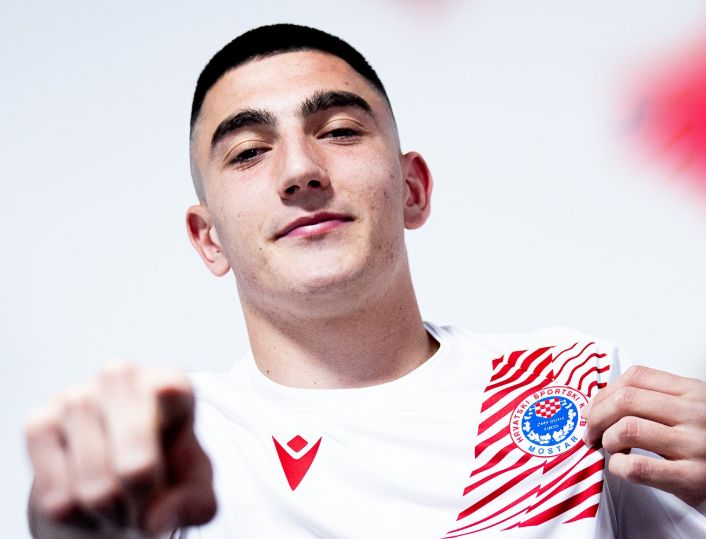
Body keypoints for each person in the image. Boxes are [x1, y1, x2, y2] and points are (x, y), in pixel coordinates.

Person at [24, 24, 706, 539]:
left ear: (413, 189)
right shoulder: (178, 441)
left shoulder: (577, 382)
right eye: (250, 151)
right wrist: (73, 523)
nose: (300, 170)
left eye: (341, 131)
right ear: (209, 238)